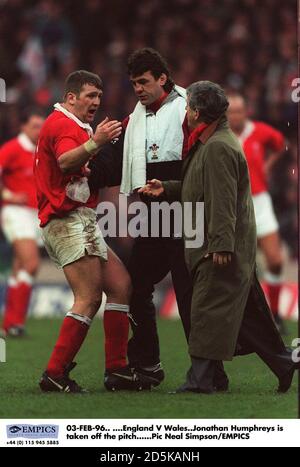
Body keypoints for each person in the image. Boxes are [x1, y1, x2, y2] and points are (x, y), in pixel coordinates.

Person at [139, 81, 299, 394]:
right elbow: (199, 185)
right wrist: (168, 188)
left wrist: (222, 245)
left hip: (219, 245)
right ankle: (282, 363)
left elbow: (222, 200)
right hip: (217, 242)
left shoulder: (218, 147)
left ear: (197, 112)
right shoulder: (211, 142)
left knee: (206, 309)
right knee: (243, 317)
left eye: (187, 108)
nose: (185, 112)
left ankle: (200, 381)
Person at [89, 48, 229, 391]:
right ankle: (148, 365)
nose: (137, 89)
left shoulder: (188, 108)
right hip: (153, 219)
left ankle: (211, 374)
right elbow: (112, 160)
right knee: (135, 286)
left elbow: (204, 158)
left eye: (143, 82)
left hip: (187, 214)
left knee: (189, 296)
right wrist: (83, 165)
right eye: (134, 83)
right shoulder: (133, 119)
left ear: (162, 78)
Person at [34, 70, 149, 393]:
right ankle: (55, 374)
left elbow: (77, 167)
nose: (96, 102)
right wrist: (96, 142)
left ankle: (117, 370)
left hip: (82, 219)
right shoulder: (62, 124)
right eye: (90, 96)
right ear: (71, 98)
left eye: (99, 96)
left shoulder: (74, 125)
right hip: (66, 220)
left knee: (120, 286)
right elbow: (66, 162)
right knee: (87, 297)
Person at [227, 93, 287, 334]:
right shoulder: (220, 136)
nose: (234, 116)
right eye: (230, 112)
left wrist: (268, 165)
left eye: (238, 111)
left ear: (246, 112)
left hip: (259, 201)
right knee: (236, 266)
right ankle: (239, 318)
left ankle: (275, 314)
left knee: (275, 260)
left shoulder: (260, 132)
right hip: (232, 204)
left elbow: (281, 144)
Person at [0, 110, 44, 337]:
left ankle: (9, 325)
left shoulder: (41, 151)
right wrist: (8, 195)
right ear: (23, 127)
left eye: (41, 126)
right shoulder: (11, 149)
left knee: (20, 268)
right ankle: (15, 322)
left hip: (34, 214)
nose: (39, 130)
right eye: (35, 126)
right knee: (32, 264)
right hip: (15, 212)